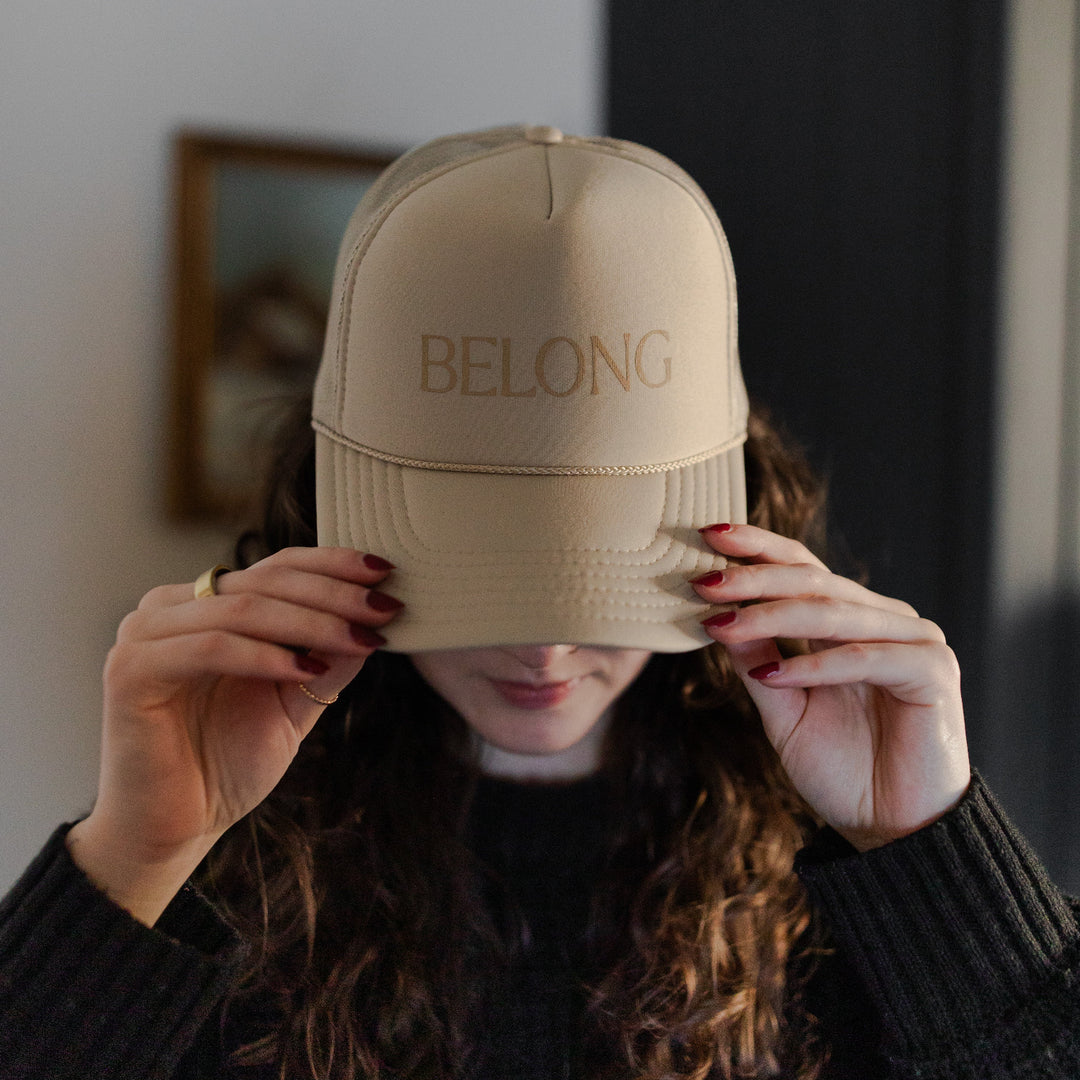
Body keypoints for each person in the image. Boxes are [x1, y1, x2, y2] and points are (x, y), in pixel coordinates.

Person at [1, 125, 1077, 1080]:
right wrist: (133, 860)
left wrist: (932, 856)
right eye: (486, 565)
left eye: (604, 567)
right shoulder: (225, 862)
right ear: (333, 510)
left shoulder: (840, 876)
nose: (550, 641)